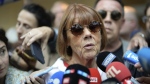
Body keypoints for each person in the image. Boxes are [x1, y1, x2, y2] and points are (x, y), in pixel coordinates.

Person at [22, 3, 108, 84]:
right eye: (77, 29)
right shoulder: (50, 77)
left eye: (94, 26)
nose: (88, 34)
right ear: (66, 39)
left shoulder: (111, 71)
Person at [95, 0, 148, 78]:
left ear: (122, 22)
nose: (108, 19)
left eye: (115, 15)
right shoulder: (81, 54)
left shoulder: (136, 54)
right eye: (101, 14)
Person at [10, 3, 58, 71]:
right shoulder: (13, 52)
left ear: (40, 29)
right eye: (18, 23)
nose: (19, 30)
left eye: (26, 26)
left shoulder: (52, 53)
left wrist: (51, 32)